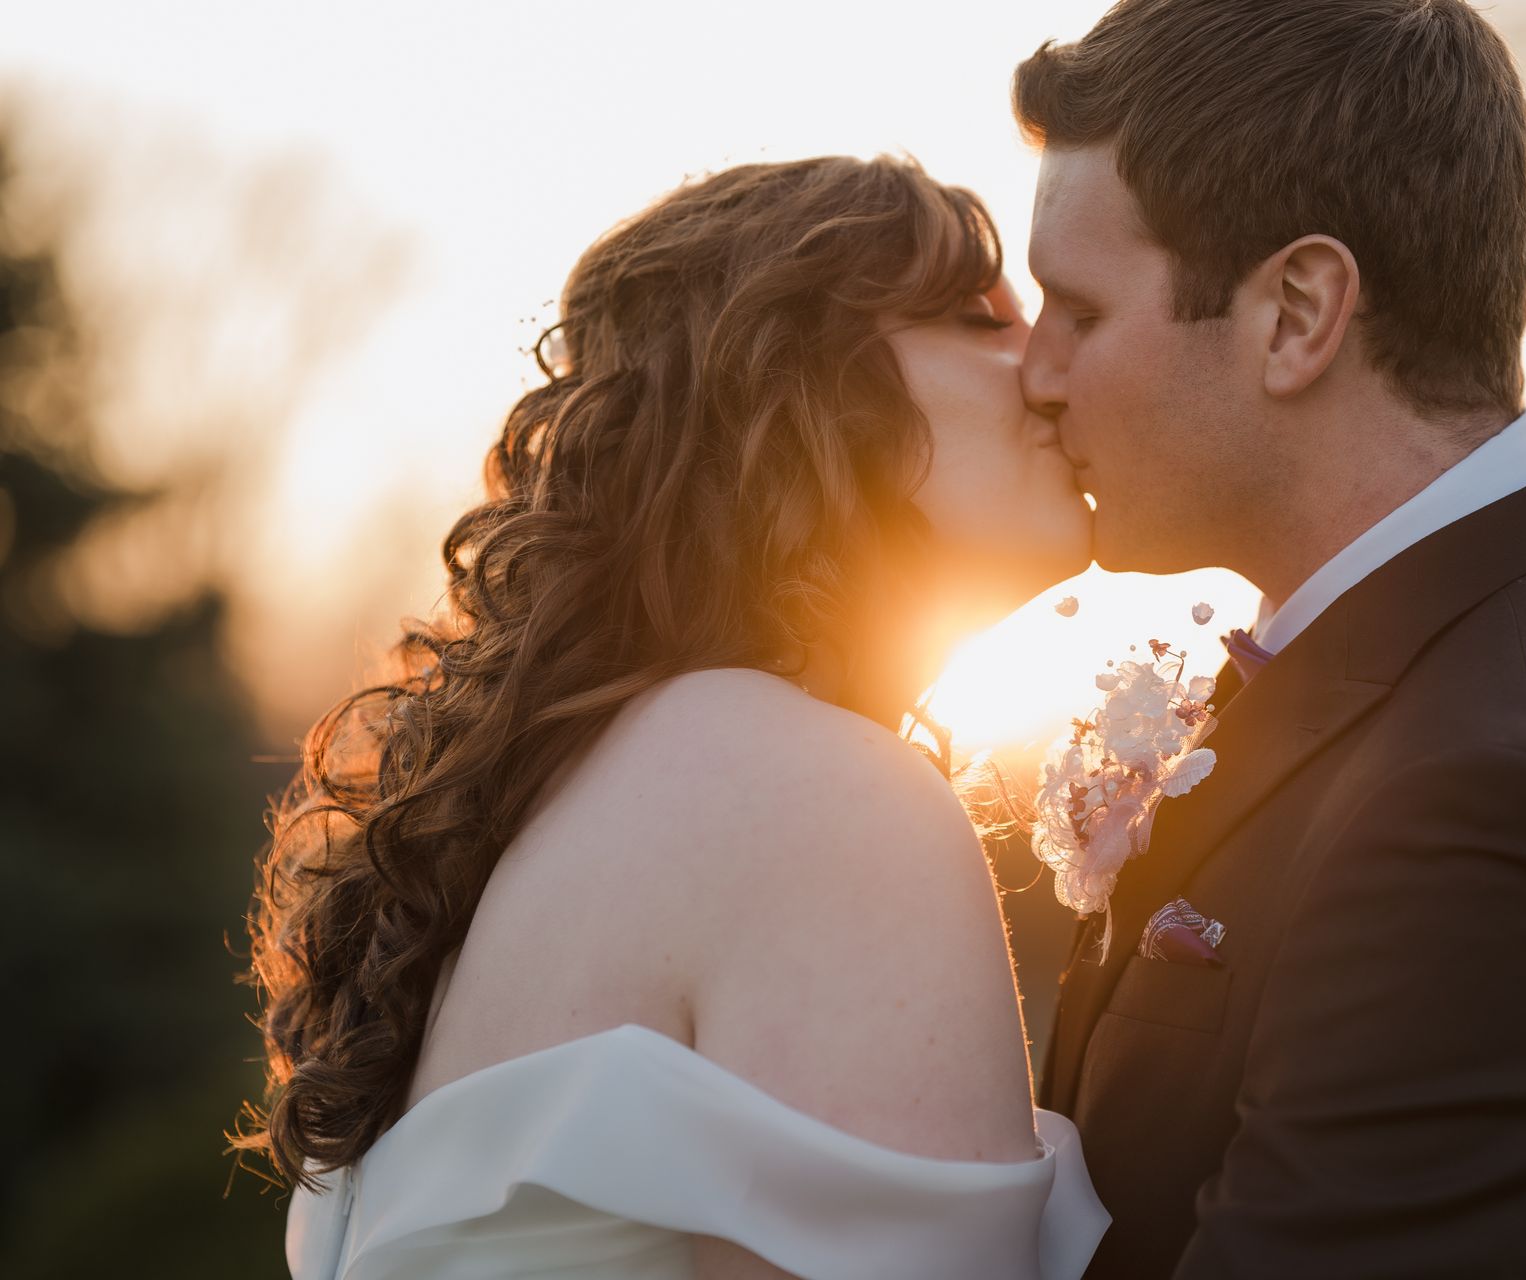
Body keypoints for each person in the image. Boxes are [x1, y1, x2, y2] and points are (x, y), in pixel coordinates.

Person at [236, 155, 1108, 1280]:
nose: (1050, 367)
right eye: (977, 319)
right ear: (793, 381)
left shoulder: (565, 799)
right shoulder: (809, 792)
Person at [1015, 1, 1526, 1276]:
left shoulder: (1488, 803)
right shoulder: (1499, 645)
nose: (1038, 375)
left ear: (1298, 312)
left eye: (1079, 311)